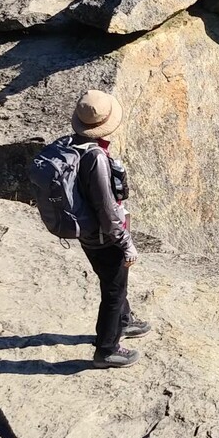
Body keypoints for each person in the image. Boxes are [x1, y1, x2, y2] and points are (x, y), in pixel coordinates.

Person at [71, 90, 150, 366]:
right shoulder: (96, 159)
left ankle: (124, 322)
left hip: (87, 232)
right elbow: (107, 210)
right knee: (113, 292)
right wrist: (127, 244)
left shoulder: (73, 146)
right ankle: (106, 349)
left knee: (114, 281)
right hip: (104, 237)